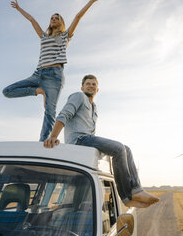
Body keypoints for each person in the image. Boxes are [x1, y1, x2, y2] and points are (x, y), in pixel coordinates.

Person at [44, 75, 159, 208]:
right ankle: (127, 197)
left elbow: (92, 134)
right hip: (79, 140)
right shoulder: (78, 96)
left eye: (94, 84)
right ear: (82, 87)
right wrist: (53, 136)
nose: (91, 86)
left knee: (126, 149)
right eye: (88, 84)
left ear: (97, 89)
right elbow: (64, 114)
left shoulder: (95, 108)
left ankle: (137, 189)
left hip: (89, 141)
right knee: (118, 148)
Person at [3, 0, 102, 141]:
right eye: (52, 18)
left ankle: (43, 142)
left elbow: (77, 17)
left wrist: (92, 1)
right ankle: (39, 91)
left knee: (49, 112)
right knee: (7, 91)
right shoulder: (44, 36)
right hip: (38, 74)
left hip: (54, 76)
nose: (54, 20)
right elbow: (32, 20)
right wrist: (18, 8)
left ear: (61, 22)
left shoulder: (65, 37)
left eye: (57, 18)